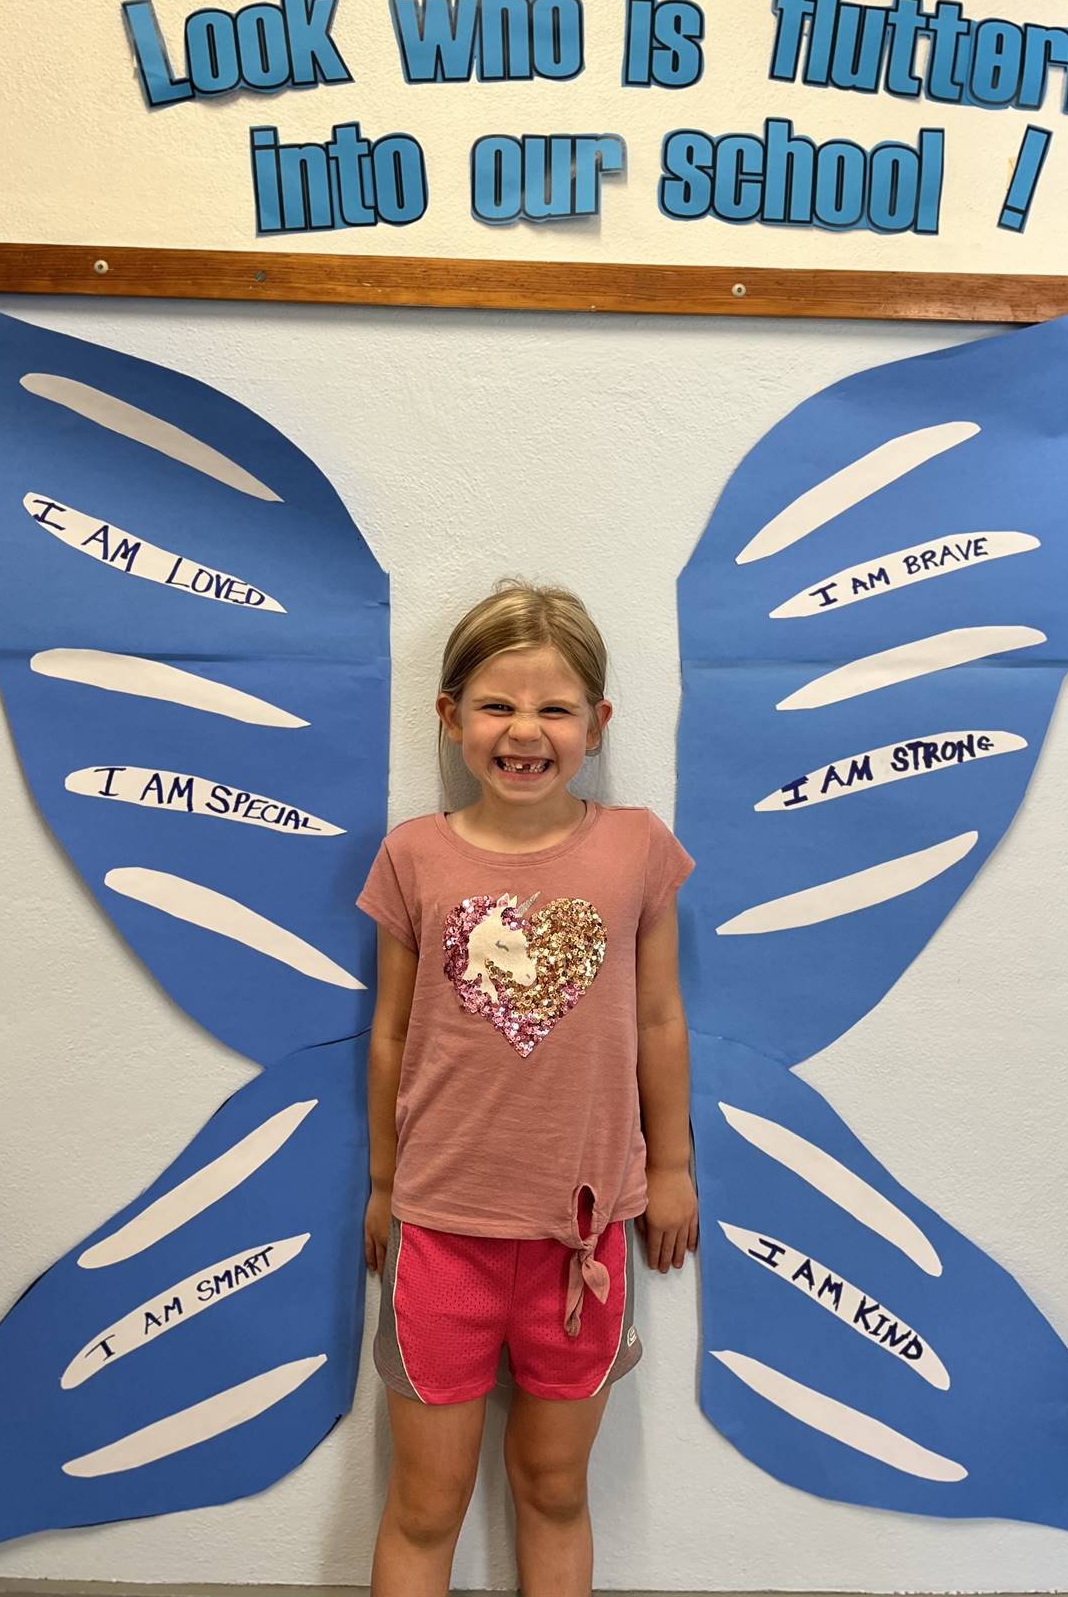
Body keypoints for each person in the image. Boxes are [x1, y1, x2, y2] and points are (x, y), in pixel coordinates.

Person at [357, 578, 697, 1597]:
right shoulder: (413, 856)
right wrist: (383, 1186)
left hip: (580, 1241)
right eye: (498, 705)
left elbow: (658, 1021)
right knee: (425, 1507)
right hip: (441, 1231)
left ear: (595, 724)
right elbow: (389, 1036)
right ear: (451, 715)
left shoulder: (638, 848)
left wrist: (672, 1164)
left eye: (554, 708)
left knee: (554, 1490)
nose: (525, 731)